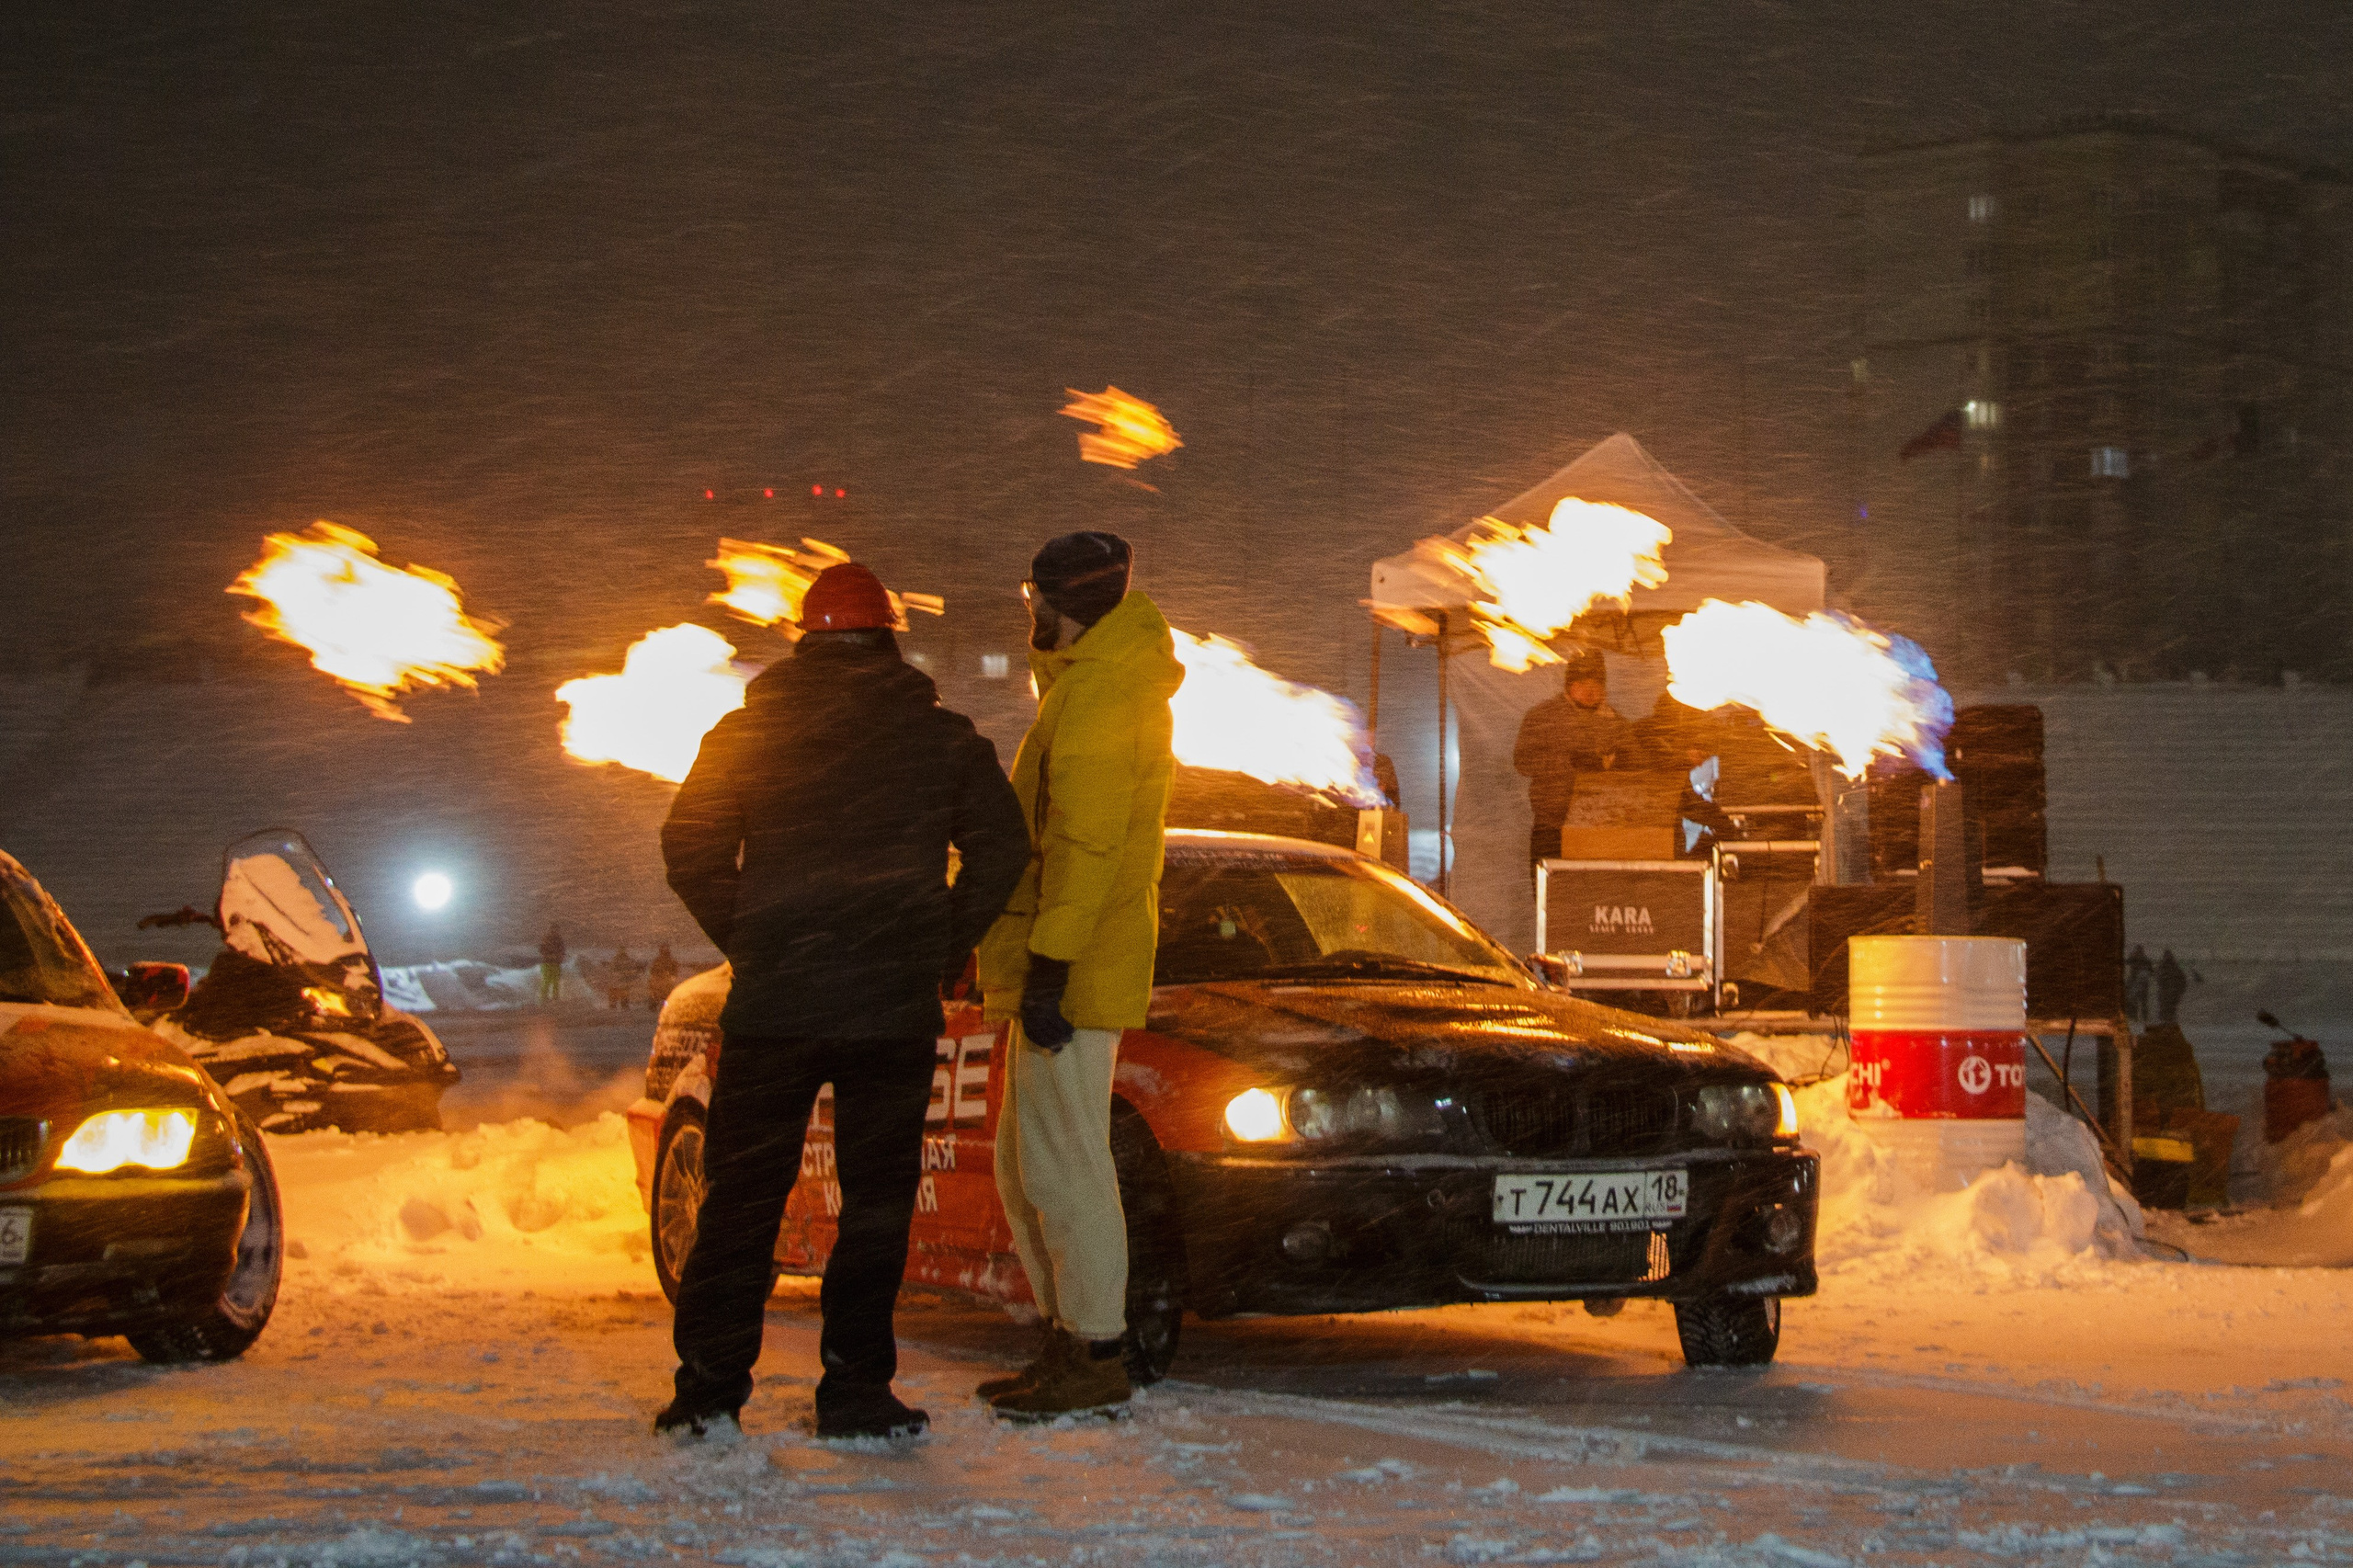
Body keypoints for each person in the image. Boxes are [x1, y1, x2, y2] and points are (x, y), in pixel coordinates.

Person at [655, 562, 1029, 1442]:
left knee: (742, 1202)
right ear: (888, 639)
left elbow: (688, 845)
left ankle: (708, 1393)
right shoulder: (940, 739)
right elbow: (1004, 850)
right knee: (876, 1207)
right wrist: (937, 947)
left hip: (774, 1011)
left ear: (804, 641)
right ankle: (856, 1391)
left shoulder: (746, 734)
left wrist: (753, 939)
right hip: (889, 1015)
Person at [976, 530, 1183, 1421]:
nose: (1029, 610)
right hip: (1068, 958)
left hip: (1075, 964)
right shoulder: (1091, 682)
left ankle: (1094, 1347)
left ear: (1064, 601)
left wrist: (1051, 965)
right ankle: (1072, 1337)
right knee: (1031, 1167)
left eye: (1036, 596)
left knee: (1064, 1167)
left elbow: (1086, 843)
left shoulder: (1100, 690)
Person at [1512, 651, 1632, 869]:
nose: (1590, 691)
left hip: (1601, 828)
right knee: (1550, 884)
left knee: (1595, 887)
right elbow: (1523, 761)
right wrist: (1567, 761)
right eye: (1582, 684)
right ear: (1570, 686)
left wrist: (1613, 760)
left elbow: (1635, 765)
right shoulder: (1543, 716)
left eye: (1596, 684)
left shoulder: (1616, 723)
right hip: (1552, 824)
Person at [2156, 948, 2188, 1025]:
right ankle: (2165, 1023)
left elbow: (2183, 980)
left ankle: (2169, 1023)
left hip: (2173, 993)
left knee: (2171, 1010)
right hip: (2165, 992)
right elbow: (2158, 978)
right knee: (2164, 1010)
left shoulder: (2175, 967)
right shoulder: (2162, 967)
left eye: (2169, 956)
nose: (2168, 958)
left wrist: (2180, 991)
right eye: (2166, 956)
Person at [605, 945, 642, 1009]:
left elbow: (612, 970)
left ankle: (616, 1006)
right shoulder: (625, 959)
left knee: (616, 995)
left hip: (617, 981)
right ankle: (622, 1005)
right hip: (622, 981)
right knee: (623, 995)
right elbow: (631, 969)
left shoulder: (616, 959)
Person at [538, 924, 566, 1005]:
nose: (555, 931)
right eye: (553, 929)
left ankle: (552, 998)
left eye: (556, 930)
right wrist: (554, 955)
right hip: (548, 963)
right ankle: (545, 999)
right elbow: (542, 950)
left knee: (554, 982)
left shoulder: (557, 940)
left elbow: (562, 951)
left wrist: (558, 956)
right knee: (548, 981)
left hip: (553, 963)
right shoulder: (548, 939)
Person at [646, 942, 681, 1009]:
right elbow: (653, 970)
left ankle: (664, 1006)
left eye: (665, 949)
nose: (665, 951)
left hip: (665, 979)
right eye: (663, 949)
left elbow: (675, 970)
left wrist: (671, 976)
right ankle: (658, 1005)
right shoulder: (660, 960)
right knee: (659, 993)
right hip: (662, 979)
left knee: (664, 994)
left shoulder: (667, 960)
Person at [2124, 945, 2153, 1024]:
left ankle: (2142, 1018)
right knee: (2135, 1000)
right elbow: (2127, 962)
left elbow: (2151, 971)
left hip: (2141, 983)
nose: (2139, 953)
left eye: (2139, 951)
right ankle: (2136, 1018)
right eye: (2137, 951)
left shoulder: (2144, 960)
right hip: (2136, 981)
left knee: (2140, 1001)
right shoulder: (2137, 959)